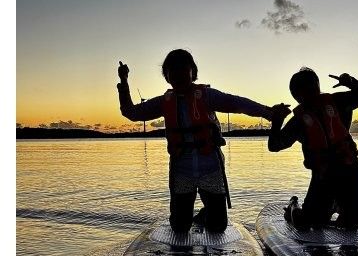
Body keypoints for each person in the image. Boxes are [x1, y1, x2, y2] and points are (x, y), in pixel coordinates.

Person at [118, 49, 290, 233]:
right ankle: (190, 217)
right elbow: (132, 113)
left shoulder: (207, 95)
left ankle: (206, 215)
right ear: (167, 76)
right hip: (181, 169)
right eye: (172, 70)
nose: (177, 74)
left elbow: (238, 103)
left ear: (193, 72)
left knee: (218, 227)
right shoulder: (163, 102)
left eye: (182, 69)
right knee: (179, 226)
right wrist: (124, 82)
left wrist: (269, 113)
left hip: (211, 167)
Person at [268, 67, 358, 230]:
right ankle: (293, 206)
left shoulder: (338, 102)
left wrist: (350, 82)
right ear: (297, 95)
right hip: (323, 178)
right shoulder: (299, 121)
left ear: (318, 87)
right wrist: (277, 121)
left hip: (350, 173)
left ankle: (335, 207)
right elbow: (274, 146)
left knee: (351, 226)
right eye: (304, 90)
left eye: (312, 88)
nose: (309, 93)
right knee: (305, 224)